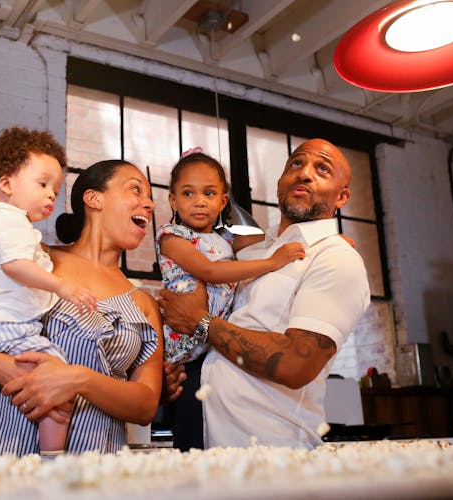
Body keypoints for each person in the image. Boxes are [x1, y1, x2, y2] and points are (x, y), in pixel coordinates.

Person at [0, 159, 163, 457]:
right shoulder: (30, 261)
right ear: (93, 198)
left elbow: (146, 404)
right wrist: (2, 368)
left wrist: (78, 379)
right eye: (136, 190)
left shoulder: (143, 304)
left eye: (150, 198)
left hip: (91, 471)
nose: (148, 204)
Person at [158, 138, 370, 449]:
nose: (304, 173)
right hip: (199, 435)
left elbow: (296, 364)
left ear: (342, 197)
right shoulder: (251, 250)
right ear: (281, 181)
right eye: (296, 164)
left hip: (267, 450)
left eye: (321, 169)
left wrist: (199, 322)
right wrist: (170, 375)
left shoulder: (334, 257)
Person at [0, 127, 98, 455]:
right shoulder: (13, 223)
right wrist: (62, 286)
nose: (51, 195)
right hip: (11, 326)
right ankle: (52, 456)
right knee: (56, 377)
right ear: (6, 184)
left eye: (56, 188)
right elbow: (16, 266)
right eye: (42, 183)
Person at [156, 149, 304, 451]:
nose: (199, 201)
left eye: (209, 193)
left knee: (213, 432)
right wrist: (271, 263)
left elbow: (270, 240)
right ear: (173, 201)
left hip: (212, 346)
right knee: (191, 437)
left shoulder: (227, 238)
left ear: (223, 201)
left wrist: (326, 239)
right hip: (182, 352)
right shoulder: (172, 237)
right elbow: (209, 271)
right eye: (188, 193)